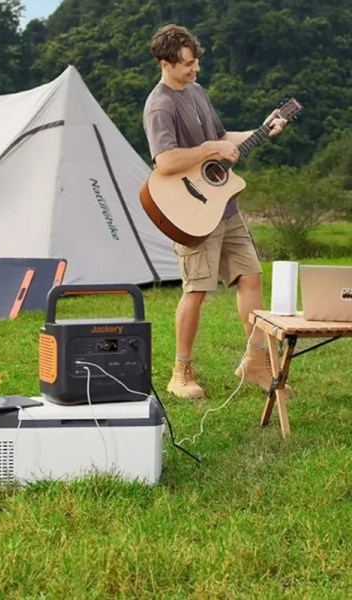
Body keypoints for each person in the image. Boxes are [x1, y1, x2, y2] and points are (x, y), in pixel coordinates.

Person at [143, 24, 290, 399]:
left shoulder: (196, 92)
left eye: (196, 63)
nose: (195, 70)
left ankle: (256, 363)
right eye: (187, 64)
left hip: (225, 206)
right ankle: (181, 372)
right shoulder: (160, 105)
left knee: (251, 277)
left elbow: (222, 140)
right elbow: (166, 160)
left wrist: (261, 130)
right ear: (165, 63)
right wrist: (209, 149)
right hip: (191, 212)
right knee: (196, 291)